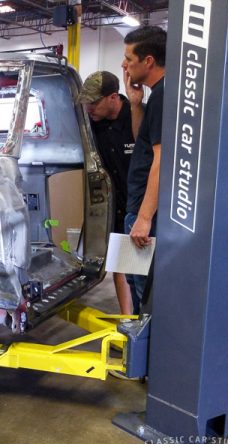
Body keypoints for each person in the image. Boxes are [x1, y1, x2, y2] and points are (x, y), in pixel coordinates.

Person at [78, 71, 135, 315]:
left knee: (145, 270)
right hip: (115, 208)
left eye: (94, 102)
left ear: (113, 97)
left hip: (141, 207)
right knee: (121, 264)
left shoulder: (137, 117)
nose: (89, 108)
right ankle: (128, 320)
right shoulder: (91, 126)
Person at [121, 25, 167, 313]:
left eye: (129, 59)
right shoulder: (155, 96)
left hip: (144, 213)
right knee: (136, 285)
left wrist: (144, 218)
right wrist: (136, 105)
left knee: (143, 293)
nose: (124, 65)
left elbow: (161, 160)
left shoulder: (164, 95)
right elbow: (143, 141)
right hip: (137, 208)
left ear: (148, 60)